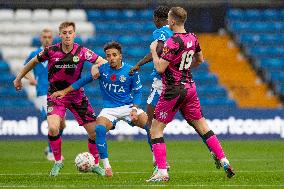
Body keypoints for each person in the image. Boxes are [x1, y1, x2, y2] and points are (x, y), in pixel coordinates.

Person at [129, 5, 221, 174]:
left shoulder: (159, 32)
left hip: (163, 83)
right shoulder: (186, 34)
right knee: (196, 123)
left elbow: (158, 52)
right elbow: (197, 58)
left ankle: (160, 164)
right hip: (184, 83)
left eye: (154, 19)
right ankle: (215, 152)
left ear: (159, 19)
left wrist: (139, 64)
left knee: (151, 125)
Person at [146, 7, 235, 182]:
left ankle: (162, 172)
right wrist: (183, 68)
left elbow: (159, 68)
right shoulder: (193, 38)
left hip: (173, 89)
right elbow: (200, 59)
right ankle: (224, 161)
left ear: (172, 21)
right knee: (202, 126)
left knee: (156, 129)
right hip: (190, 88)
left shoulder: (172, 42)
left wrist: (153, 51)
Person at [13, 21, 107, 177]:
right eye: (64, 33)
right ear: (60, 35)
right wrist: (18, 78)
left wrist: (95, 66)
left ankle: (95, 165)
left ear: (74, 34)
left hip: (77, 96)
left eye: (70, 32)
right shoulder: (51, 51)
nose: (68, 35)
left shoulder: (82, 51)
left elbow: (102, 61)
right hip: (56, 95)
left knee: (95, 133)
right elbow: (32, 62)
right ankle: (57, 161)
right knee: (53, 127)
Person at [51, 41, 149, 177]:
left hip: (128, 106)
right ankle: (107, 167)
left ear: (120, 56)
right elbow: (82, 81)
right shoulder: (102, 69)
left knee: (150, 126)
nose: (111, 58)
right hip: (109, 109)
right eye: (108, 56)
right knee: (99, 129)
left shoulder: (131, 70)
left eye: (114, 55)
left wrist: (134, 108)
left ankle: (158, 162)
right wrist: (65, 91)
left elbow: (138, 92)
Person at [24, 28, 65, 161]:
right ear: (41, 38)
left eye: (49, 37)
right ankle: (52, 152)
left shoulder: (58, 53)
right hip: (42, 93)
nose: (47, 39)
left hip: (57, 92)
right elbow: (25, 69)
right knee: (52, 121)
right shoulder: (35, 54)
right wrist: (31, 79)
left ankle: (50, 148)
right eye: (44, 37)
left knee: (61, 124)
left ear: (52, 39)